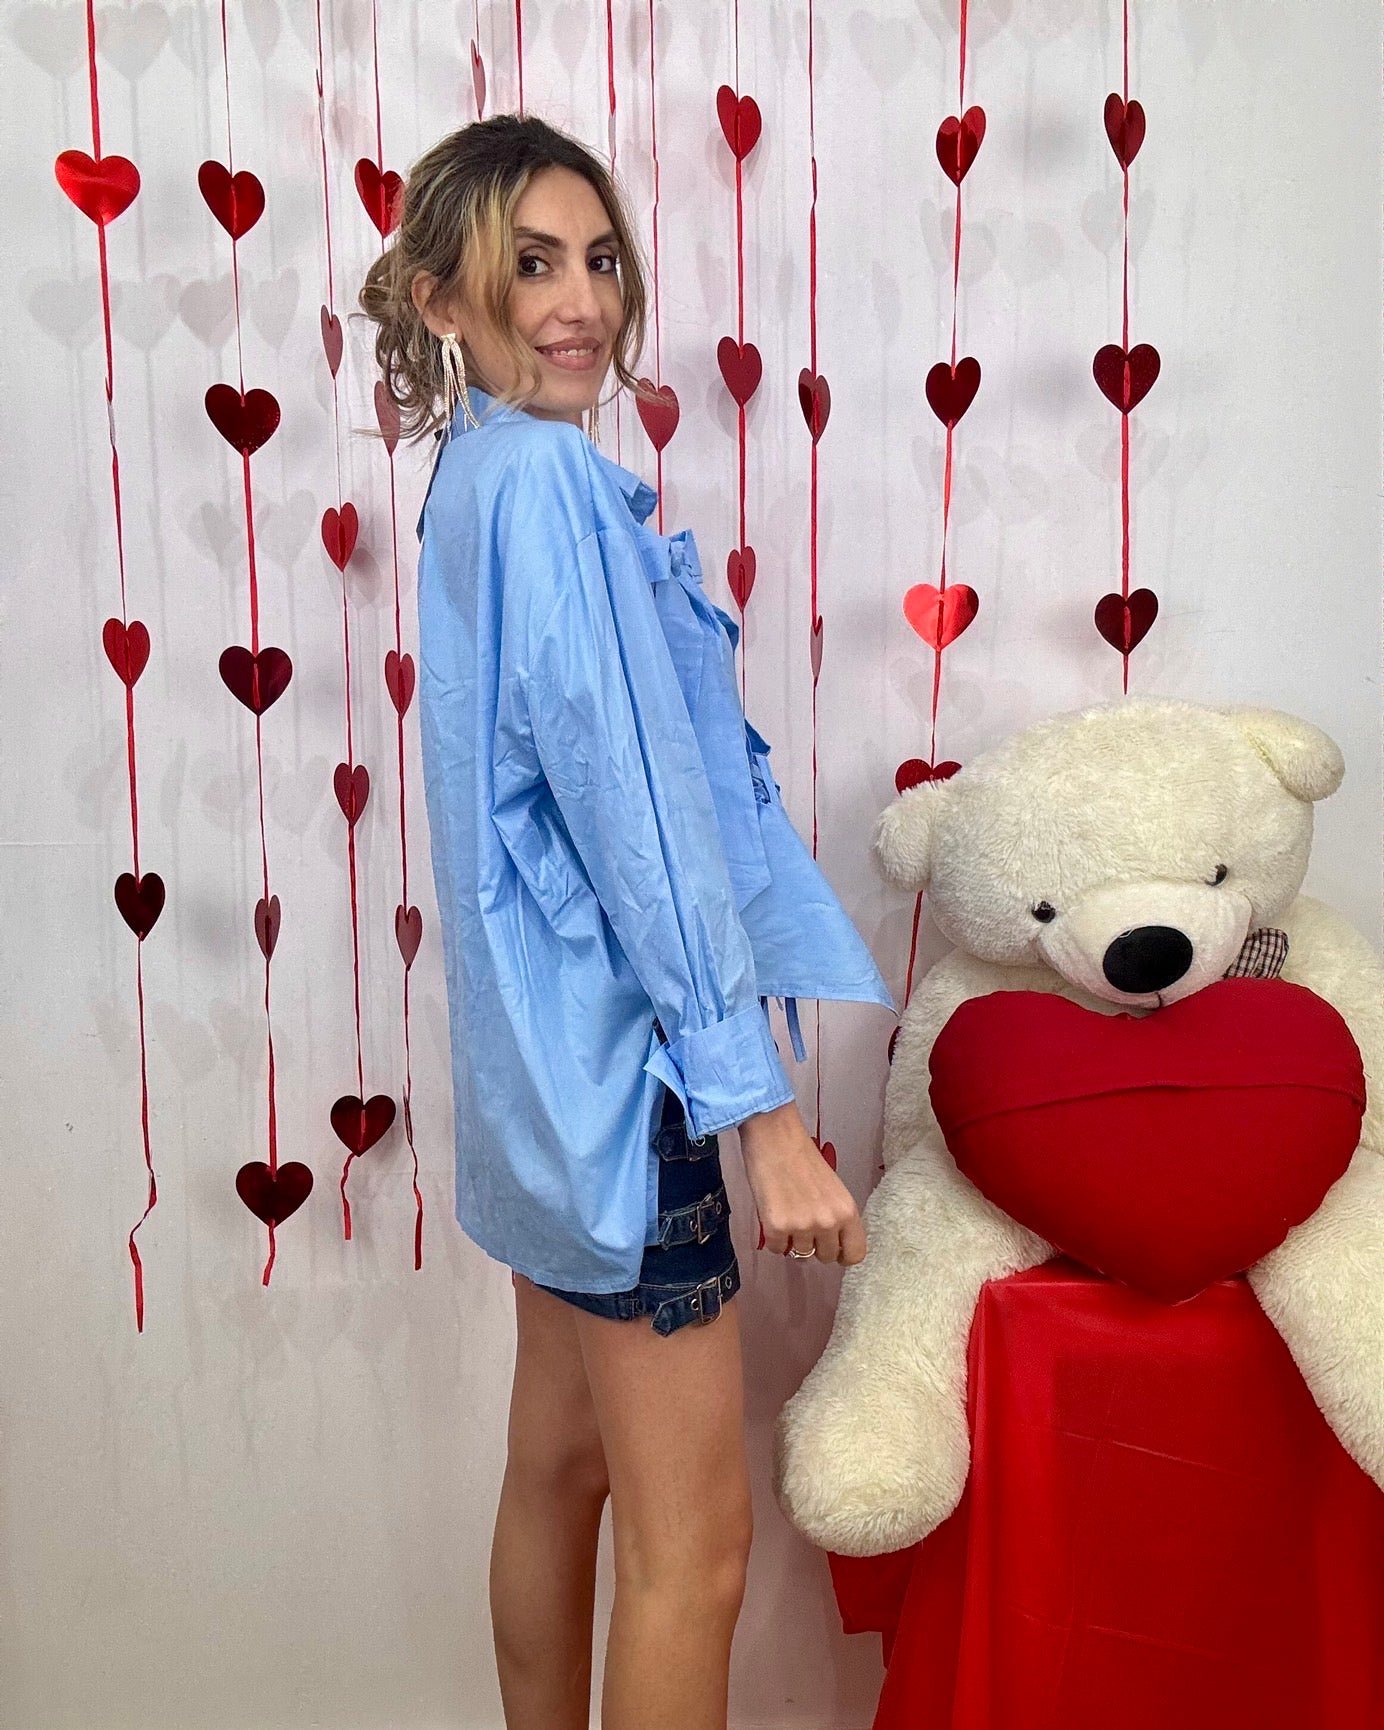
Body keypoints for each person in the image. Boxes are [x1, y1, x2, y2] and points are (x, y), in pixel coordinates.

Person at [358, 114, 894, 1730]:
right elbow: (640, 826)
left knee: (563, 1461)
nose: (580, 300)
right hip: (626, 1083)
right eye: (531, 264)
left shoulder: (473, 475)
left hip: (537, 1089)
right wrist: (763, 1115)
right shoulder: (551, 488)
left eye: (598, 259)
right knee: (696, 1554)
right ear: (443, 298)